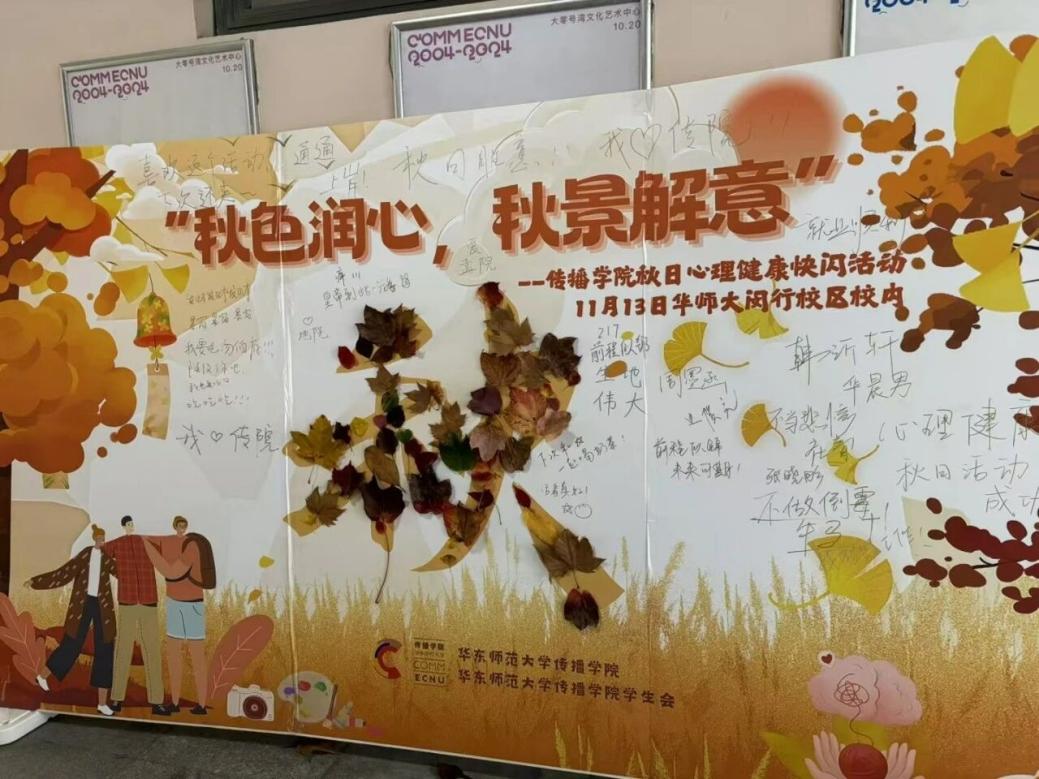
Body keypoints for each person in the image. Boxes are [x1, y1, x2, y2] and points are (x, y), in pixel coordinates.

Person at [26, 524, 117, 716]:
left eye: (103, 539)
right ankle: (42, 676)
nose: (102, 541)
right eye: (99, 538)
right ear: (95, 539)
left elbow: (122, 572)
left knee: (105, 647)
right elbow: (63, 574)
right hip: (82, 604)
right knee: (72, 643)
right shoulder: (85, 555)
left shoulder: (107, 558)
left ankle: (102, 703)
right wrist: (36, 582)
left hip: (102, 607)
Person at [143, 516, 215, 715]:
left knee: (196, 656)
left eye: (184, 526)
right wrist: (143, 540)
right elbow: (148, 538)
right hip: (174, 603)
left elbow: (172, 572)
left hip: (192, 605)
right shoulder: (169, 540)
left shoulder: (192, 546)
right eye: (179, 526)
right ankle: (175, 702)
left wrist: (148, 549)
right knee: (174, 655)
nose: (181, 529)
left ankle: (201, 704)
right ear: (175, 526)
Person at [105, 515, 170, 715]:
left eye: (133, 523)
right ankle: (116, 699)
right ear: (124, 526)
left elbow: (167, 549)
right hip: (127, 601)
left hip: (149, 601)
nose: (131, 527)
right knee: (123, 649)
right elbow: (100, 553)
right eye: (128, 524)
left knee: (153, 651)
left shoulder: (147, 542)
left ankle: (157, 702)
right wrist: (119, 573)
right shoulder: (117, 544)